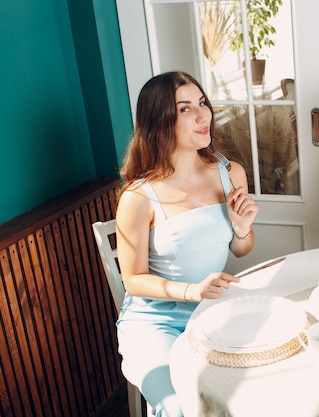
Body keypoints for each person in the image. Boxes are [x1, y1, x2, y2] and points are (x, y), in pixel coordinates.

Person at [115, 71, 259, 416]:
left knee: (255, 387)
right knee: (179, 406)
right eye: (184, 109)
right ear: (159, 121)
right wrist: (191, 290)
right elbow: (133, 279)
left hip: (211, 309)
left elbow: (242, 248)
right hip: (153, 321)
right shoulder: (138, 196)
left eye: (202, 103)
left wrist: (241, 228)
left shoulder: (230, 172)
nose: (202, 115)